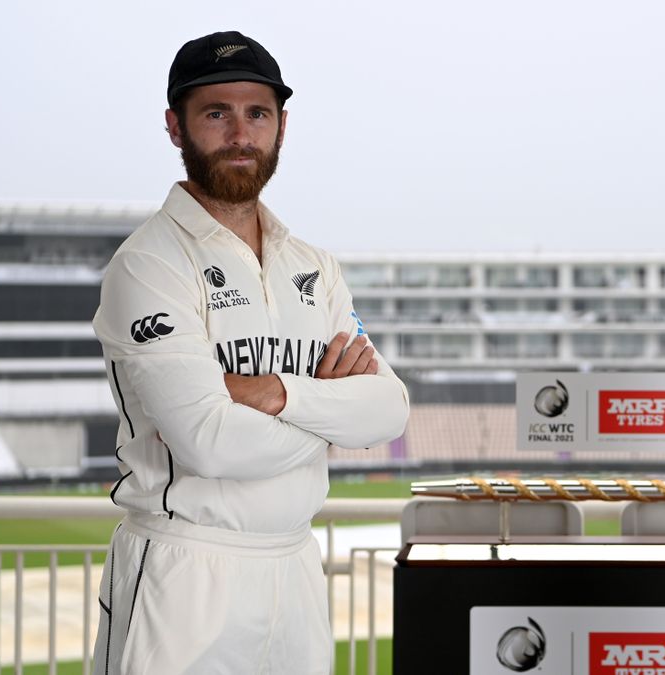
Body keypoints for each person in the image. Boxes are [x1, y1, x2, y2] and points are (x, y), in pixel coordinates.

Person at [91, 31, 410, 674]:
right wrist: (328, 421)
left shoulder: (313, 266)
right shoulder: (149, 265)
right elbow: (209, 441)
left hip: (295, 568)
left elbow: (390, 409)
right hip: (187, 573)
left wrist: (280, 393)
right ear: (175, 127)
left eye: (257, 113)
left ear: (281, 126)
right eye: (217, 113)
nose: (241, 133)